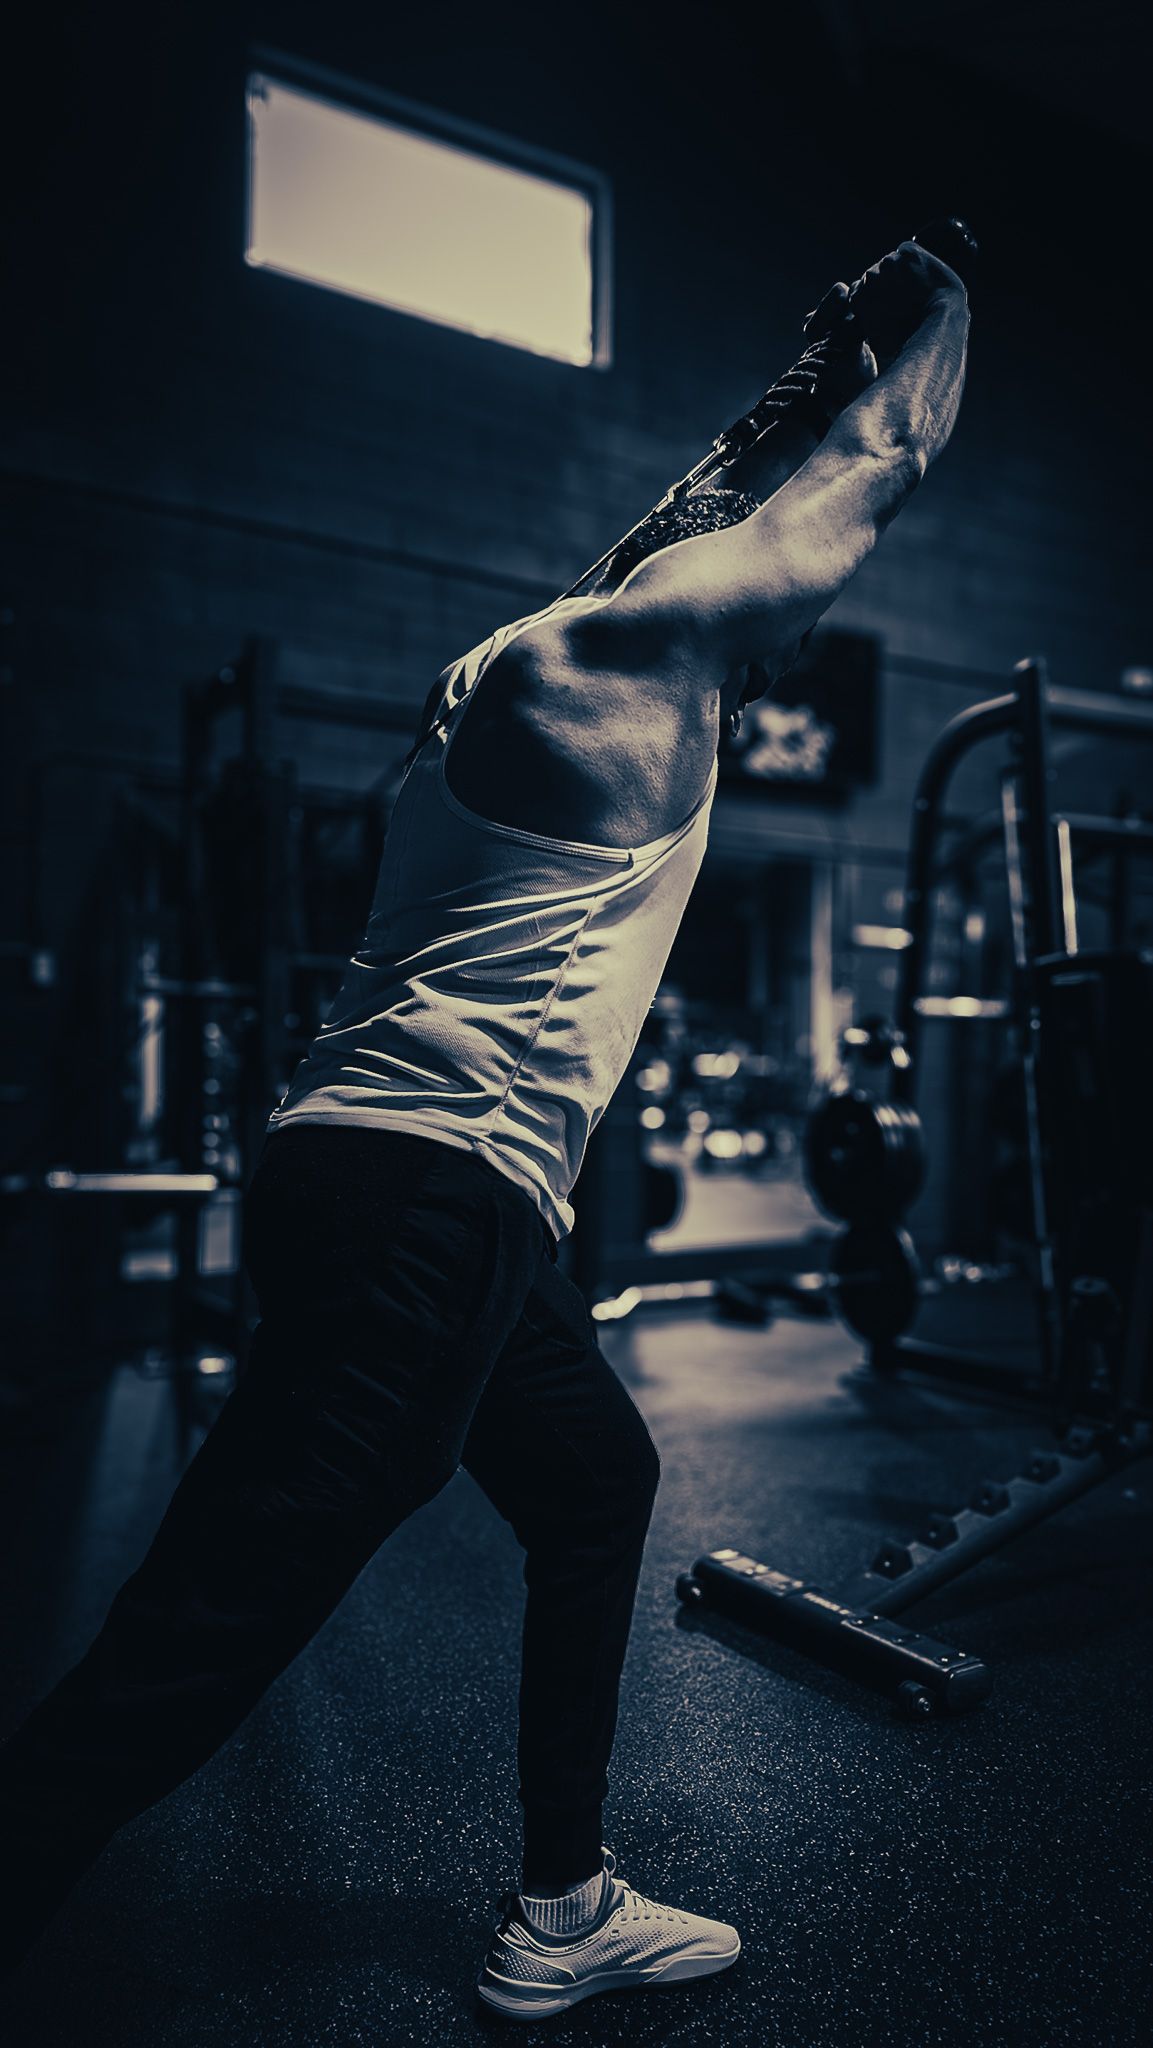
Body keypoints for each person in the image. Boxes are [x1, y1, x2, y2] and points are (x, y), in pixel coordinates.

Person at [0, 239, 968, 2017]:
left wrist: (808, 370)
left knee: (594, 1482)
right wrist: (945, 303)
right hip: (431, 1197)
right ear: (703, 583)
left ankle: (563, 1905)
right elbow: (881, 464)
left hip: (387, 1181)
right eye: (761, 603)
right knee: (202, 1628)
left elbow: (738, 502)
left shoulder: (502, 674)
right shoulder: (630, 660)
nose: (783, 640)